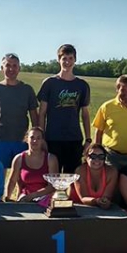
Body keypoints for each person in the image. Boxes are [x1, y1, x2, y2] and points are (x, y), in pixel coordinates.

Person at [37, 44, 91, 173]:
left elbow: (85, 115)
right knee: (52, 177)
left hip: (74, 138)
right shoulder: (49, 83)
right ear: (58, 60)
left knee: (72, 177)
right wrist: (42, 138)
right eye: (64, 58)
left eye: (70, 58)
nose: (67, 62)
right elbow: (42, 113)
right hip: (53, 138)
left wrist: (88, 139)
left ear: (75, 60)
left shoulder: (82, 85)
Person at [0, 53, 40, 170]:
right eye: (8, 65)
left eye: (15, 66)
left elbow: (35, 118)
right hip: (0, 140)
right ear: (2, 68)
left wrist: (35, 139)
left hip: (22, 141)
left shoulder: (27, 90)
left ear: (19, 68)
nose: (11, 69)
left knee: (21, 174)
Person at [5, 127, 58, 205]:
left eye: (38, 138)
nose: (35, 141)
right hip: (25, 198)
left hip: (45, 199)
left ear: (42, 141)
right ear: (27, 139)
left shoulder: (51, 159)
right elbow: (12, 181)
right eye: (32, 137)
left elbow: (52, 186)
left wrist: (33, 196)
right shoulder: (19, 158)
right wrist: (7, 198)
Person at [70, 143, 118, 210]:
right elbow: (83, 198)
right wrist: (97, 201)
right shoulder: (80, 171)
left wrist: (104, 202)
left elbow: (107, 197)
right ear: (86, 157)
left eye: (101, 156)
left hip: (101, 208)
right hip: (78, 207)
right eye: (93, 156)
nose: (97, 160)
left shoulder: (112, 172)